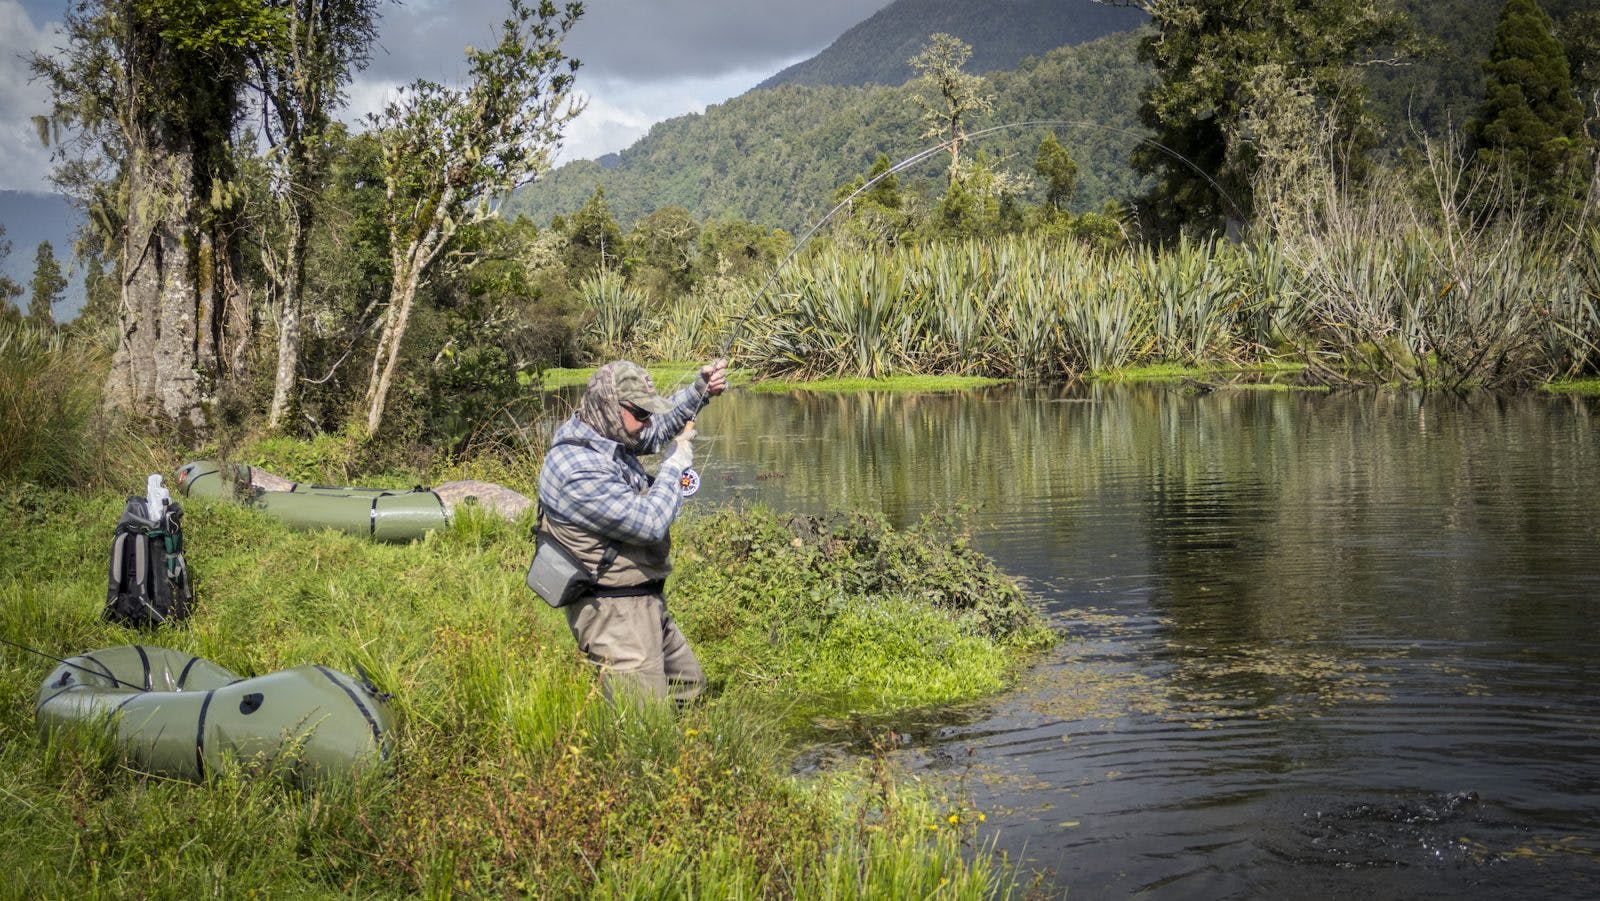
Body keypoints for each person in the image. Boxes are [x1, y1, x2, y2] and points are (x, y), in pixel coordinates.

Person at [536, 359, 728, 705]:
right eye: (640, 413)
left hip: (644, 599)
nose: (647, 423)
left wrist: (700, 391)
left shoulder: (601, 429)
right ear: (610, 406)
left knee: (690, 691)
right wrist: (675, 465)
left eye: (647, 412)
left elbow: (655, 431)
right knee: (642, 729)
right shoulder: (579, 469)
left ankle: (695, 757)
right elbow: (650, 524)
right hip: (613, 613)